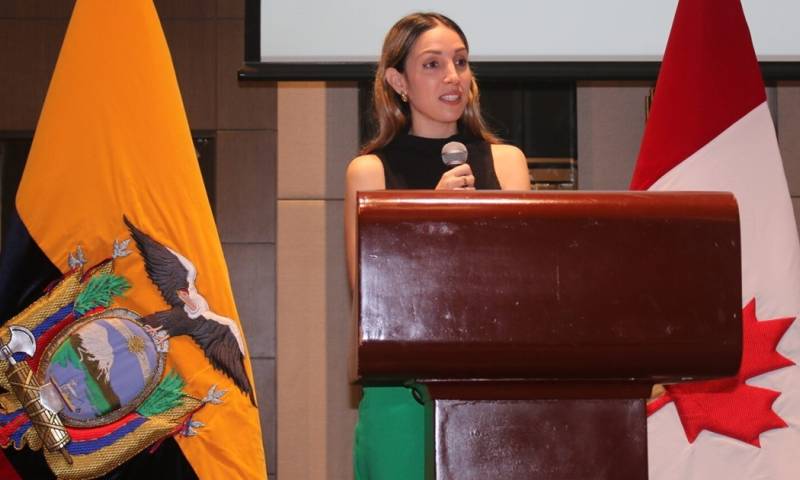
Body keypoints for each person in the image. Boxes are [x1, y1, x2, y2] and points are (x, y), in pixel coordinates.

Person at [344, 12, 530, 479]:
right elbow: (369, 292)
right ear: (397, 81)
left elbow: (526, 279)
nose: (453, 77)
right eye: (432, 64)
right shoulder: (370, 171)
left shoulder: (506, 164)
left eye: (461, 62)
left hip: (493, 387)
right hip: (400, 394)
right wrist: (430, 218)